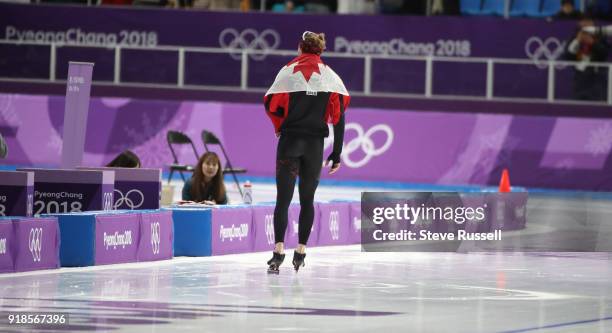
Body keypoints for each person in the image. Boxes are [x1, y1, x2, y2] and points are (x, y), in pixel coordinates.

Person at [263, 31, 350, 273]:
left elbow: (270, 104)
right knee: (307, 201)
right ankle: (300, 251)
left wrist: (279, 127)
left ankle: (278, 252)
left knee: (283, 200)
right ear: (320, 51)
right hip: (314, 147)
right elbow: (339, 116)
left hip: (290, 142)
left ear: (300, 48)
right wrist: (337, 152)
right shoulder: (331, 77)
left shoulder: (288, 71)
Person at [564, 18, 610, 101]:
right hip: (580, 77)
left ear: (593, 24)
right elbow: (568, 55)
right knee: (578, 105)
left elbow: (605, 53)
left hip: (597, 77)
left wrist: (593, 43)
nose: (586, 25)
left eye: (588, 23)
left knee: (597, 105)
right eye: (584, 23)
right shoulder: (575, 38)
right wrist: (577, 41)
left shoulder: (600, 37)